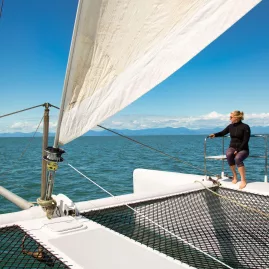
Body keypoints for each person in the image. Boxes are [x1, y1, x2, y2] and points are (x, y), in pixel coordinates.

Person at [209, 110, 250, 189]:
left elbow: (246, 140)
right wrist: (214, 134)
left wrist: (238, 150)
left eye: (231, 117)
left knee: (237, 158)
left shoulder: (245, 127)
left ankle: (243, 180)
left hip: (243, 149)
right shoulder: (230, 126)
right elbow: (222, 133)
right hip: (232, 147)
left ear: (236, 118)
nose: (230, 118)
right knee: (228, 154)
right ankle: (234, 175)